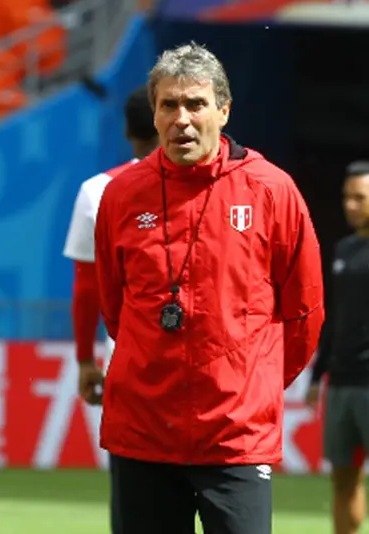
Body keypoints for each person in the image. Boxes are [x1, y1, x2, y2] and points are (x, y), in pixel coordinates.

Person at [94, 42, 324, 534]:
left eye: (195, 104)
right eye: (169, 105)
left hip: (235, 435)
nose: (182, 118)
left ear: (223, 109)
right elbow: (114, 305)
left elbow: (305, 310)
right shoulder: (120, 195)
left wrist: (253, 384)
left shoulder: (272, 190)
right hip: (144, 430)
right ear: (153, 115)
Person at [63, 86, 158, 406]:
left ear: (128, 129)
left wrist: (85, 361)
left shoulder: (97, 191)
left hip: (128, 361)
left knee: (132, 453)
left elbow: (87, 289)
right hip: (201, 362)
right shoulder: (212, 186)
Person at [306, 160, 369, 534]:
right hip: (341, 382)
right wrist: (317, 374)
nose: (350, 205)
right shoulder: (343, 249)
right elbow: (332, 317)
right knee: (343, 479)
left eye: (359, 198)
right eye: (347, 197)